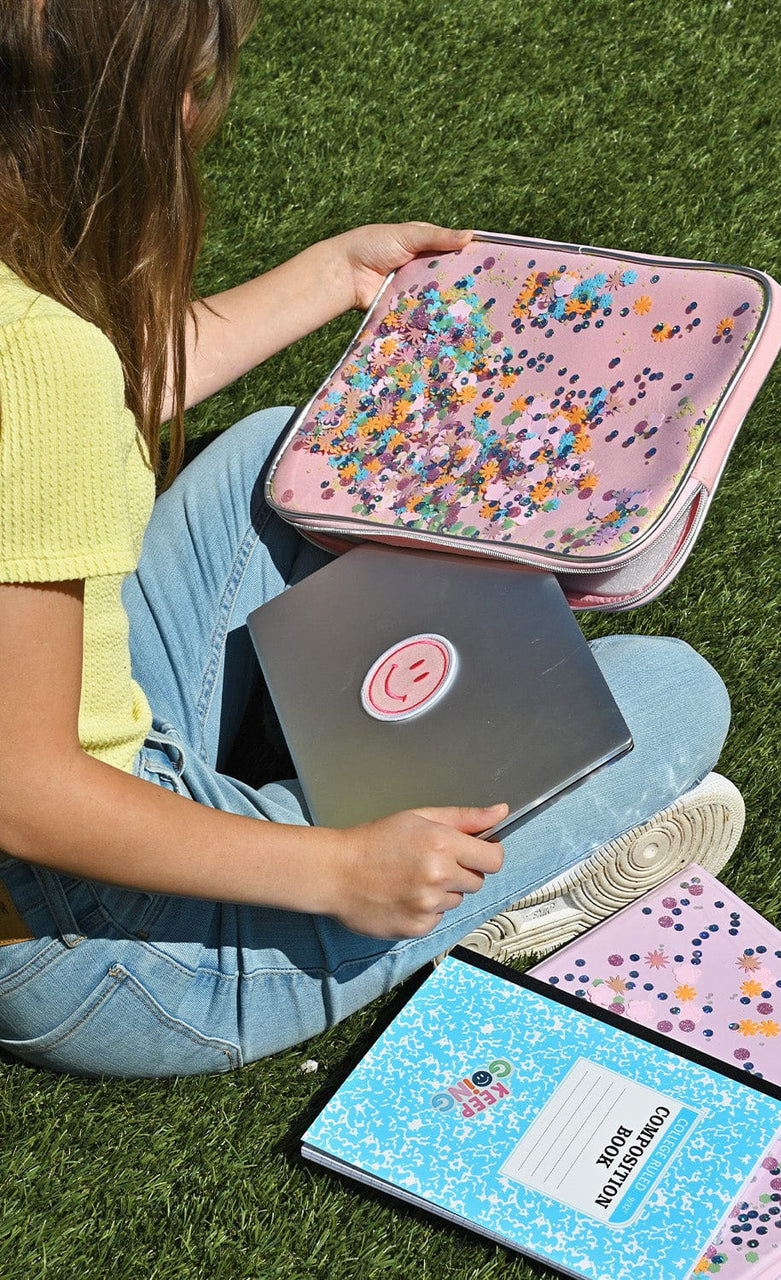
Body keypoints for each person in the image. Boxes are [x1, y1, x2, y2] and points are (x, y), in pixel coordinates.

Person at [0, 0, 731, 1078]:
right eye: (193, 84)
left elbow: (73, 415)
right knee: (671, 692)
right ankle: (440, 867)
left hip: (60, 818)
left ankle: (359, 767)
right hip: (95, 944)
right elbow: (21, 789)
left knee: (276, 454)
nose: (202, 112)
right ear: (114, 108)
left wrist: (331, 274)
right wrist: (338, 870)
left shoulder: (29, 338)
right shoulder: (36, 357)